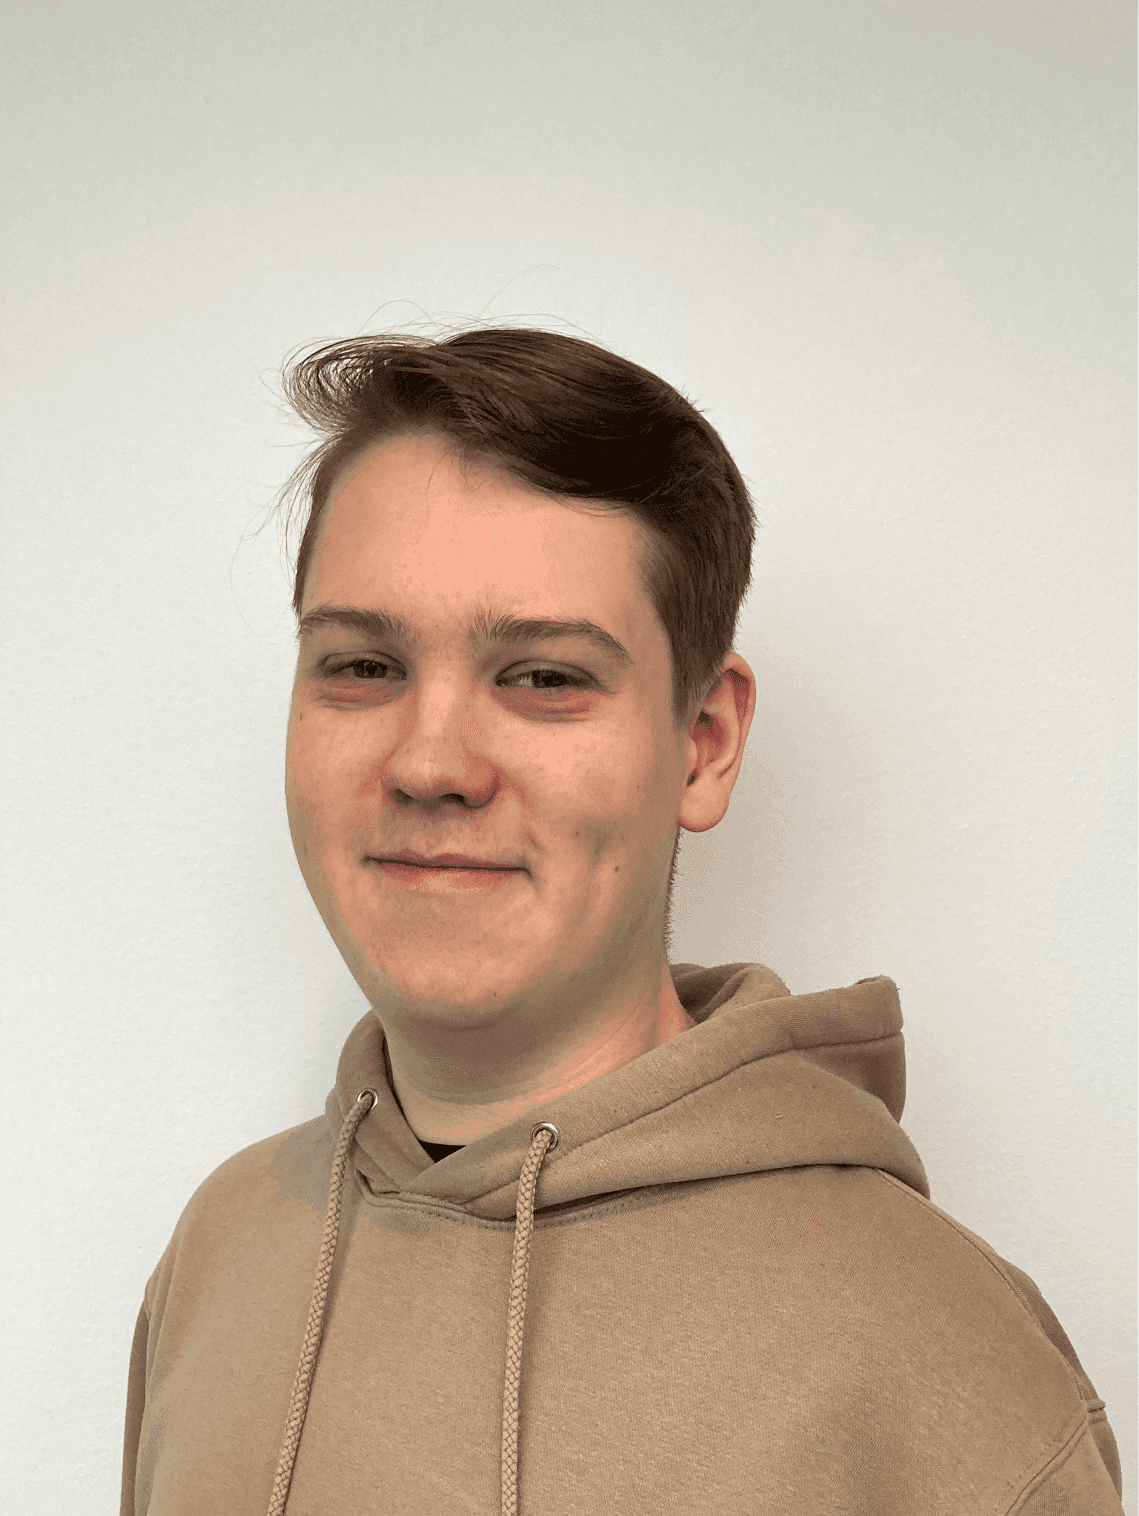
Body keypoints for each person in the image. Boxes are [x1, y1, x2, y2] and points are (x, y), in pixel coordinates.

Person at [120, 328, 1125, 1516]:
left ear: (702, 744)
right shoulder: (226, 1253)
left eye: (542, 676)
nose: (430, 760)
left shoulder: (935, 1362)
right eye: (362, 663)